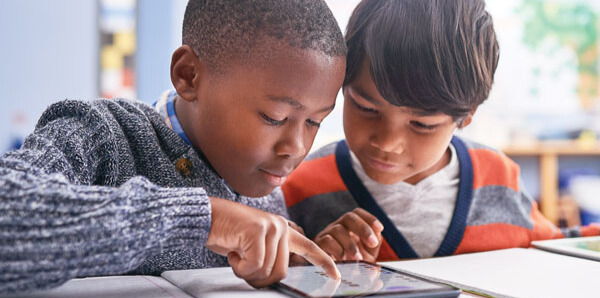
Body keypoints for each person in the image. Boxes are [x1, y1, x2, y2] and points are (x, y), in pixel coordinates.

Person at [0, 0, 346, 294]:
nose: (296, 147)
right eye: (274, 117)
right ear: (189, 75)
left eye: (315, 121)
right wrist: (206, 219)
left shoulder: (266, 185)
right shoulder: (101, 134)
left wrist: (302, 261)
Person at [283, 0, 600, 263]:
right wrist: (309, 264)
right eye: (366, 108)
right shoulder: (300, 186)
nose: (388, 143)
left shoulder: (499, 179)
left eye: (422, 124)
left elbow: (555, 247)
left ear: (467, 116)